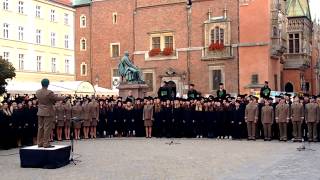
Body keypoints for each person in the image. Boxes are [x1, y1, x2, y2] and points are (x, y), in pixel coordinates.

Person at [36, 79, 65, 148]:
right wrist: (64, 97)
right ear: (48, 84)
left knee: (40, 127)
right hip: (47, 112)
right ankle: (46, 143)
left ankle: (40, 142)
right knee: (47, 128)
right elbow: (56, 98)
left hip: (40, 111)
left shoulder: (37, 92)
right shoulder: (49, 92)